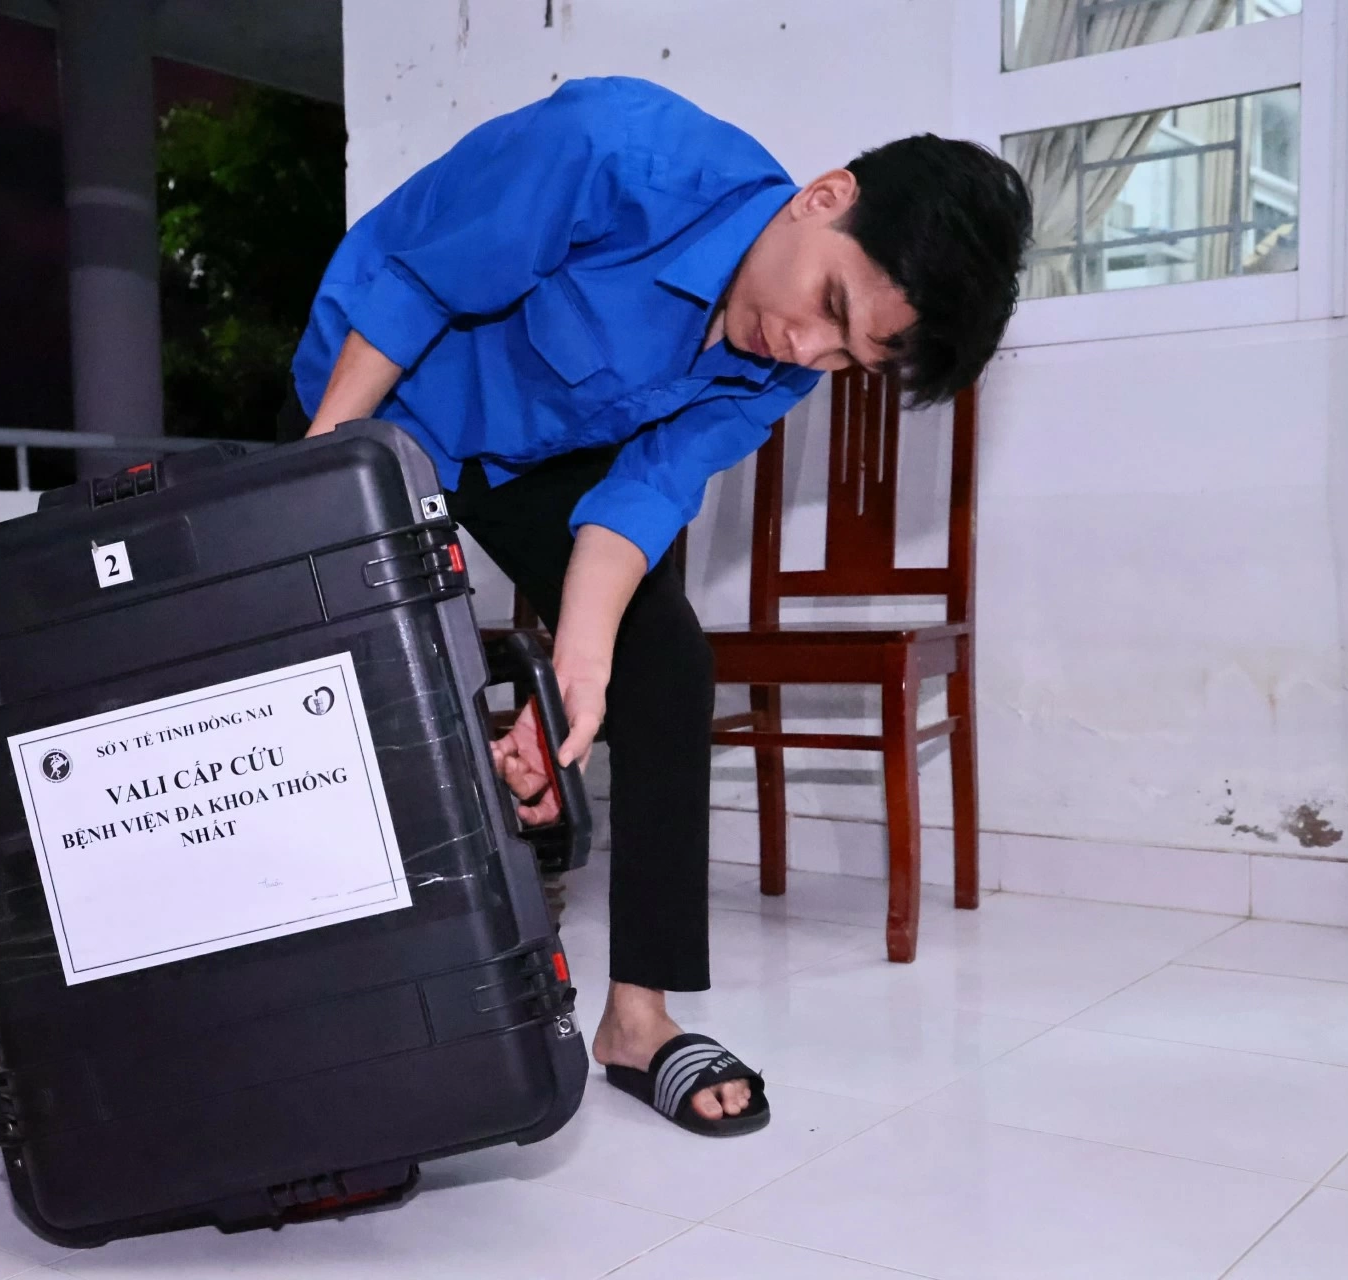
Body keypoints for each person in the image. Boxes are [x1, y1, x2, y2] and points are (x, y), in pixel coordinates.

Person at [284, 77, 1031, 1136]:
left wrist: (574, 684)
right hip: (391, 381)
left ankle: (639, 1020)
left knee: (663, 658)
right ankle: (315, 977)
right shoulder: (615, 150)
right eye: (829, 310)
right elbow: (416, 286)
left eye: (844, 361)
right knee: (355, 638)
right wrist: (319, 481)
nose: (805, 354)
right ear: (823, 197)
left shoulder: (782, 364)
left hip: (546, 444)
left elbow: (637, 500)